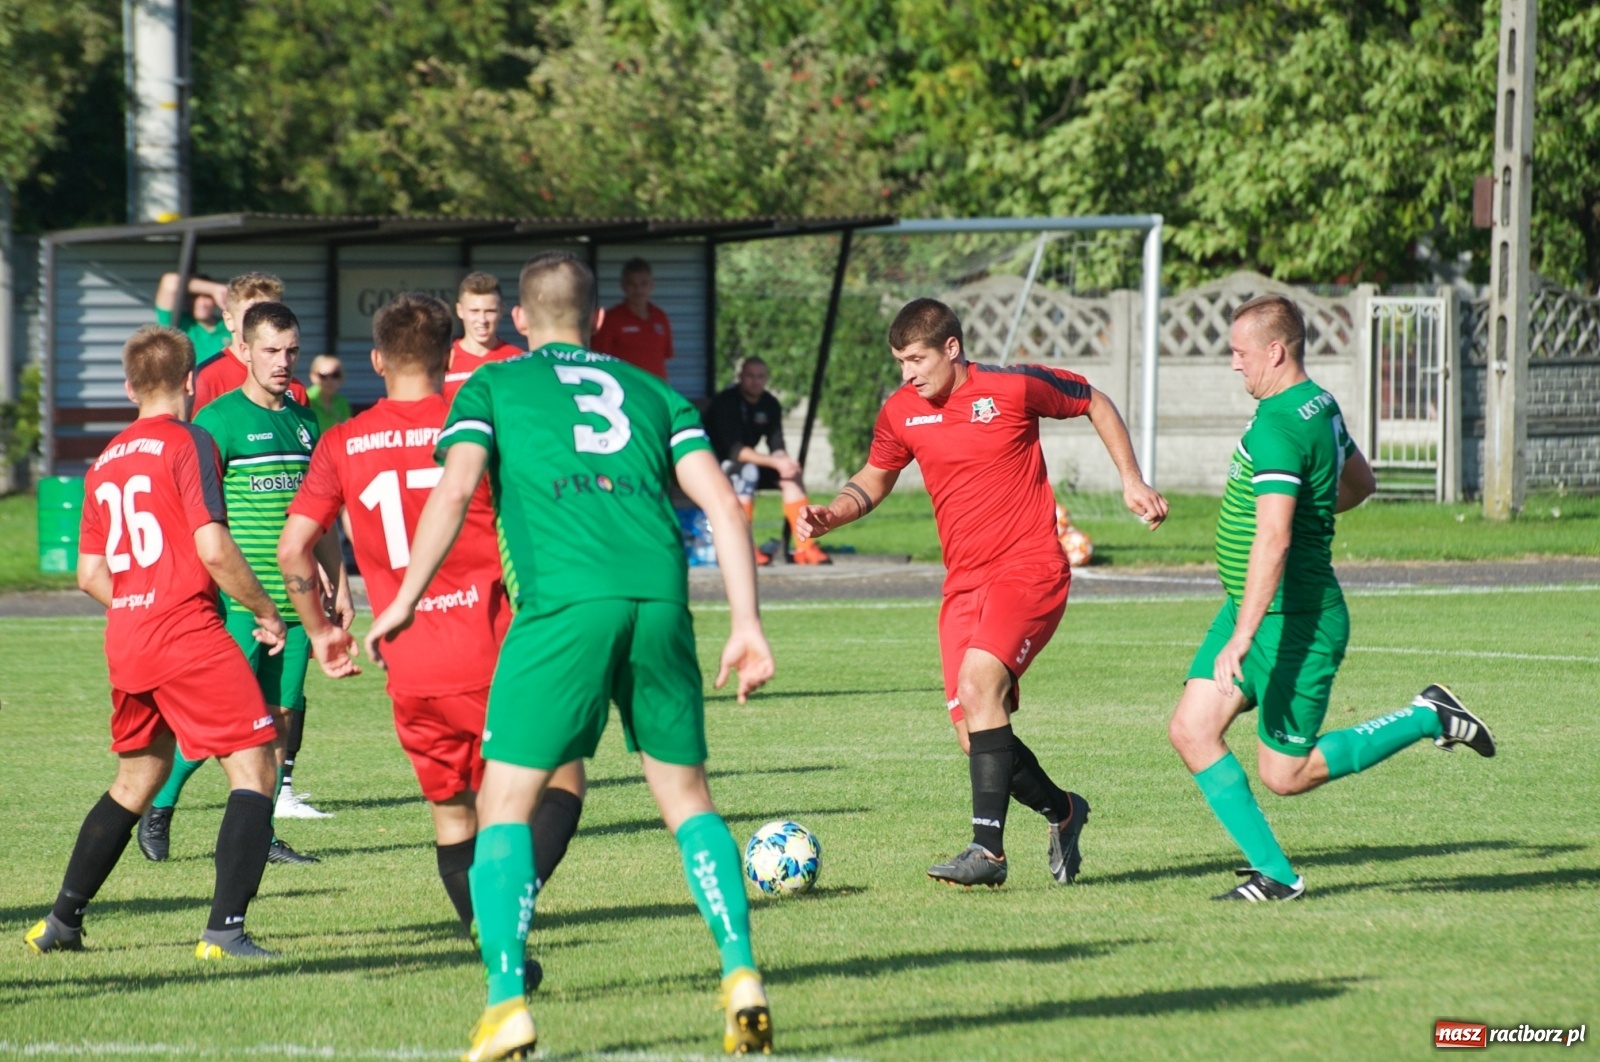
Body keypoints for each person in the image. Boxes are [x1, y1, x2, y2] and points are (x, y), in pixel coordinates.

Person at [363, 251, 776, 1060]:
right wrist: (747, 625)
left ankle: (506, 1002)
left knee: (504, 805)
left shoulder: (490, 385)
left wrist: (404, 600)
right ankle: (742, 978)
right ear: (596, 321)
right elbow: (723, 504)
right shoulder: (656, 393)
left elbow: (453, 491)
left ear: (518, 320)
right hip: (659, 602)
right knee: (688, 799)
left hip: (561, 609)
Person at [797, 298, 1168, 888]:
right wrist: (832, 515)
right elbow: (876, 475)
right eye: (899, 361)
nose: (907, 373)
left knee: (978, 686)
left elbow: (1093, 399)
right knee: (976, 735)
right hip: (963, 583)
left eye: (916, 359)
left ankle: (987, 852)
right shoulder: (901, 411)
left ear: (951, 348)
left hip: (1029, 568)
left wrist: (1131, 479)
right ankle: (1064, 811)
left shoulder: (1015, 388)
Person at [277, 292, 587, 972]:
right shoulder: (479, 419)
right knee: (564, 782)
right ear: (452, 358)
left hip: (410, 664)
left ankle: (490, 935)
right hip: (498, 648)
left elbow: (293, 547)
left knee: (455, 820)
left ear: (377, 360)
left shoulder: (341, 441)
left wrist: (323, 629)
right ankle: (504, 911)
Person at [1166, 295, 1496, 901]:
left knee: (1284, 775)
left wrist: (1243, 633)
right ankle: (1277, 875)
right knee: (1191, 729)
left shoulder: (1280, 424)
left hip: (1296, 623)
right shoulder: (1317, 403)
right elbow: (1361, 483)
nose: (1234, 365)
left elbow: (1273, 537)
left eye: (1240, 353)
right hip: (1259, 610)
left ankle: (1428, 716)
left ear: (1275, 350)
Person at [25, 325, 284, 961]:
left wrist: (139, 603)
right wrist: (265, 609)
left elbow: (90, 576)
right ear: (191, 381)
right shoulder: (189, 441)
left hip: (129, 637)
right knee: (256, 767)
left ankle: (60, 922)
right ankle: (224, 932)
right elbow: (214, 547)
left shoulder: (104, 459)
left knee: (139, 776)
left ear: (129, 386)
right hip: (185, 633)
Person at [138, 302, 350, 865]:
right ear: (246, 351)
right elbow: (196, 521)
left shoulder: (305, 422)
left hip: (299, 603)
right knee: (221, 719)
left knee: (280, 719)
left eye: (291, 352)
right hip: (240, 604)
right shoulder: (217, 422)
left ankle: (261, 832)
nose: (283, 363)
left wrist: (340, 580)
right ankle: (160, 806)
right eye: (272, 351)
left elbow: (318, 513)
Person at [704, 356, 829, 565]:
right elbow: (735, 451)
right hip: (717, 466)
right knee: (748, 472)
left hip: (749, 463)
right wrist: (775, 462)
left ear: (766, 379)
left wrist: (785, 462)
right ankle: (743, 546)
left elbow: (776, 445)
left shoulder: (769, 404)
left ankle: (805, 547)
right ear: (741, 377)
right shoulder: (726, 402)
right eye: (750, 376)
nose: (755, 381)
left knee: (790, 476)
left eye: (760, 376)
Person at [193, 273, 309, 412]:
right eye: (253, 314)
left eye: (273, 314)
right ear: (229, 321)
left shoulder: (295, 388)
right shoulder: (206, 380)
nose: (264, 322)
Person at [445, 271, 524, 403]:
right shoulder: (443, 360)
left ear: (502, 311)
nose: (482, 320)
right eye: (474, 311)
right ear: (459, 310)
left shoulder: (518, 360)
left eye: (489, 311)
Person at [590, 257, 673, 380]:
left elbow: (665, 356)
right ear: (623, 286)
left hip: (656, 391)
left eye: (643, 284)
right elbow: (599, 358)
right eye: (632, 284)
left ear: (652, 285)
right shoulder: (611, 319)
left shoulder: (660, 317)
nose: (638, 290)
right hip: (626, 390)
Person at [154, 272, 232, 362]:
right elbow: (169, 283)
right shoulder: (177, 324)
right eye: (195, 297)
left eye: (207, 296)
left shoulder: (229, 325)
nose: (202, 303)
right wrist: (214, 289)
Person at [306, 354, 353, 434]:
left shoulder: (342, 403)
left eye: (335, 375)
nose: (329, 381)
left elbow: (347, 432)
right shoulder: (304, 399)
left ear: (341, 378)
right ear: (313, 377)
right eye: (323, 376)